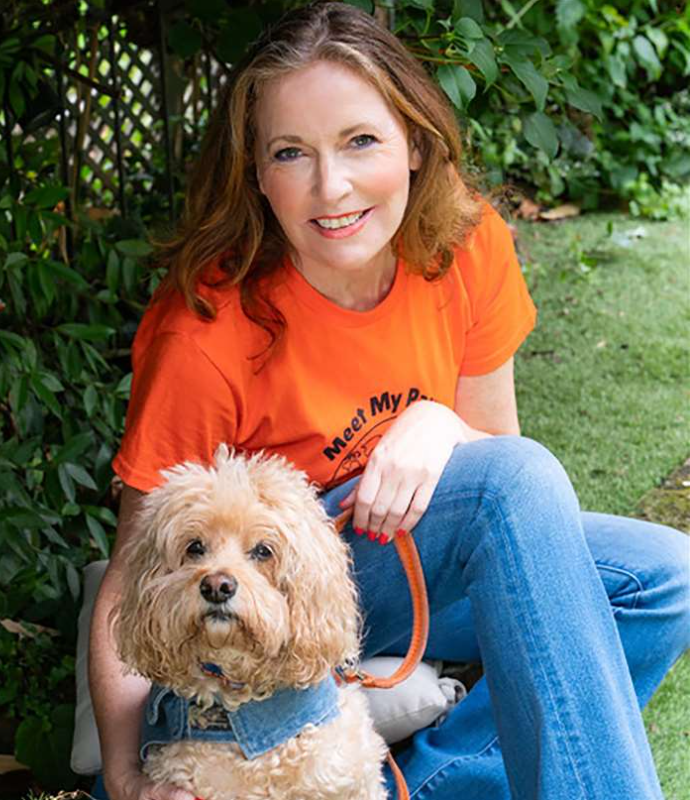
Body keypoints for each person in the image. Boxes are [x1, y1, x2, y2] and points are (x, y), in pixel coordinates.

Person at [88, 3, 689, 799]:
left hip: (421, 562)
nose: (330, 187)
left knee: (663, 579)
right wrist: (126, 779)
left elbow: (507, 481)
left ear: (414, 140)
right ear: (257, 173)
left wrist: (441, 424)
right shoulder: (208, 328)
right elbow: (135, 576)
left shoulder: (466, 245)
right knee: (514, 483)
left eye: (359, 140)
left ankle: (428, 776)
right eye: (290, 152)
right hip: (293, 576)